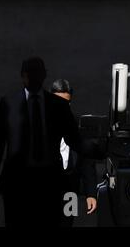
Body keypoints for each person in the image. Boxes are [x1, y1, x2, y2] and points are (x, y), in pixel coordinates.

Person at [0, 57, 83, 227]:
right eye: (30, 73)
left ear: (44, 75)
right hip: (17, 184)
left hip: (49, 183)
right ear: (23, 76)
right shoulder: (8, 103)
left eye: (38, 72)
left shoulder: (59, 106)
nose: (34, 77)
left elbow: (75, 141)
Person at [51, 79, 97, 227]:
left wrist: (91, 193)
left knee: (67, 223)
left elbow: (87, 163)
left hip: (70, 189)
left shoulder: (79, 127)